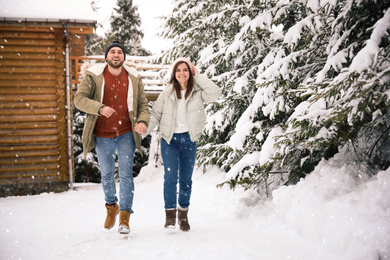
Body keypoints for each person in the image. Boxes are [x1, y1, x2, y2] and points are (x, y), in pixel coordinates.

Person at [74, 41, 149, 234]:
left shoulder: (133, 77)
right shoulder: (94, 75)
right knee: (106, 174)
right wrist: (99, 108)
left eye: (120, 52)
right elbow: (79, 99)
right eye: (112, 52)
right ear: (106, 57)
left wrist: (142, 121)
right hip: (102, 134)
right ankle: (111, 206)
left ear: (124, 57)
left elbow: (142, 105)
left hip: (125, 133)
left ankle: (124, 215)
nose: (116, 55)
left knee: (125, 175)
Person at [146, 57, 221, 231]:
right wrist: (145, 129)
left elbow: (215, 93)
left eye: (185, 70)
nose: (181, 73)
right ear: (174, 73)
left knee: (186, 180)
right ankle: (170, 216)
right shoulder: (167, 93)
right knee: (170, 178)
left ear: (190, 72)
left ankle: (183, 215)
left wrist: (199, 75)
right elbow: (156, 114)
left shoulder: (197, 91)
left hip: (189, 140)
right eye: (178, 70)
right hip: (169, 140)